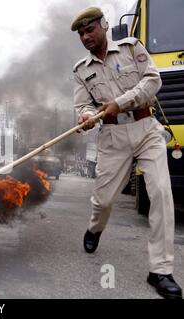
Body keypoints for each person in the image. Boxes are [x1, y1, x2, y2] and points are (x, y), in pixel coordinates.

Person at [71, 6, 182, 299]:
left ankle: (160, 270)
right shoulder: (81, 71)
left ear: (105, 26)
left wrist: (120, 102)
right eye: (81, 34)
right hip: (112, 137)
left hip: (146, 128)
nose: (85, 37)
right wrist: (85, 117)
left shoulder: (132, 49)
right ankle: (95, 229)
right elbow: (82, 105)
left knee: (161, 193)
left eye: (90, 30)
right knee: (103, 200)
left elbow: (153, 81)